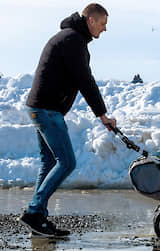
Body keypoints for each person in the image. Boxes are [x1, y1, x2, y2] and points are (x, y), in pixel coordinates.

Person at [20, 3, 117, 237]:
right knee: (67, 162)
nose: (105, 29)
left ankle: (38, 219)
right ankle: (34, 212)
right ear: (91, 20)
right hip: (47, 110)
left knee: (49, 162)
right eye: (103, 24)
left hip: (40, 107)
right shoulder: (73, 40)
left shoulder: (69, 38)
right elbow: (85, 80)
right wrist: (102, 114)